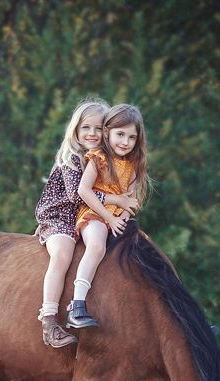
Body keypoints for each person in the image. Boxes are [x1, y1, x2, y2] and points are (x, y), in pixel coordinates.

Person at [33, 99, 138, 347]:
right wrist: (118, 200)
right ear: (76, 130)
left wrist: (124, 209)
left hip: (87, 215)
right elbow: (76, 194)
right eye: (86, 128)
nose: (92, 134)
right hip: (60, 216)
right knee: (62, 255)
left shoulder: (104, 158)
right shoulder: (71, 157)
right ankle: (49, 321)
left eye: (98, 129)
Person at [67, 103, 149, 328]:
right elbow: (84, 191)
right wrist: (110, 218)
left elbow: (130, 200)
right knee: (96, 246)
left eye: (131, 137)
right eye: (120, 134)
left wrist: (121, 218)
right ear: (107, 133)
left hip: (115, 216)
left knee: (149, 252)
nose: (125, 142)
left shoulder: (132, 165)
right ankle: (77, 304)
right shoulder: (98, 158)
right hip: (94, 213)